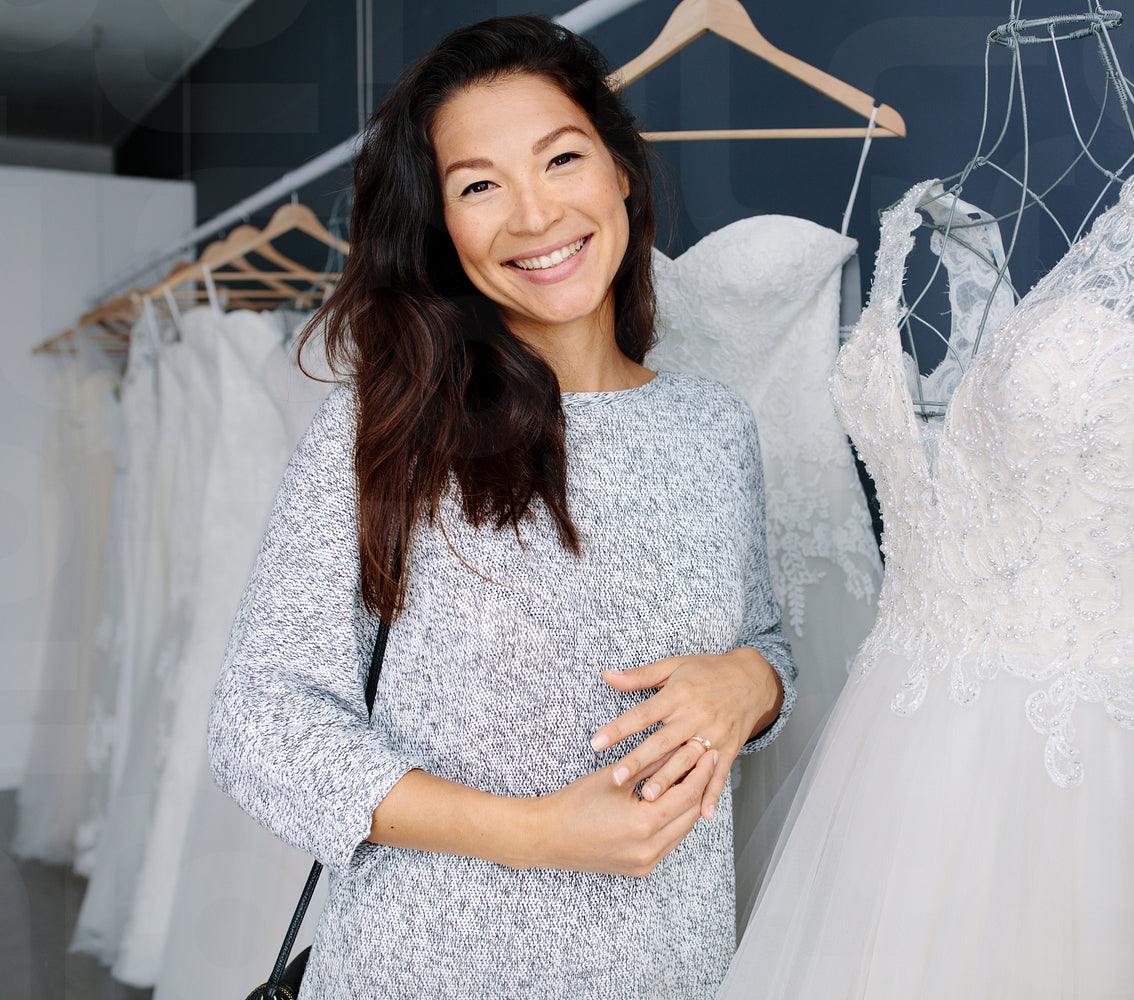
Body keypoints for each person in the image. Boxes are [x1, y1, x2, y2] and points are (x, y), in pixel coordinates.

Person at [207, 16, 795, 999]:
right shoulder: (388, 425)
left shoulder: (714, 425)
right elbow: (260, 723)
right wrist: (535, 834)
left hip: (674, 967)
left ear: (619, 171)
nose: (534, 214)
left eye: (561, 159)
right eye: (479, 185)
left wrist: (753, 681)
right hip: (428, 971)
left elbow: (764, 639)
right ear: (441, 226)